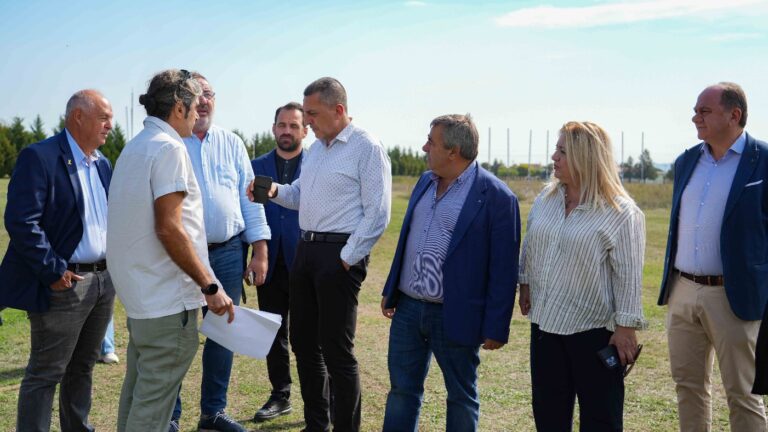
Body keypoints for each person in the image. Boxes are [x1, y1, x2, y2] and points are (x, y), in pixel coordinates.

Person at [249, 77, 392, 431]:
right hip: (306, 251)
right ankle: (317, 424)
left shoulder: (366, 147)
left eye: (311, 113)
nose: (307, 121)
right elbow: (299, 195)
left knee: (337, 351)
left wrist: (347, 257)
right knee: (303, 344)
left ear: (338, 109)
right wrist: (274, 191)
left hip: (338, 255)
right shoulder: (316, 151)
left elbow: (378, 213)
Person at [107, 69, 235, 432]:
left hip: (143, 298)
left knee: (137, 395)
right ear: (179, 107)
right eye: (195, 105)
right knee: (152, 409)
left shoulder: (136, 146)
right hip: (166, 302)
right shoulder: (169, 148)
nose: (198, 112)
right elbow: (170, 227)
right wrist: (210, 285)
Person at [380, 114, 520, 431]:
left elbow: (503, 269)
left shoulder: (498, 198)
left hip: (456, 314)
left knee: (460, 396)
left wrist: (496, 326)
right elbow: (406, 239)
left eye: (431, 142)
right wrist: (392, 290)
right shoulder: (424, 182)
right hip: (408, 310)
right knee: (402, 391)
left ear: (453, 151)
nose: (424, 147)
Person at [0, 89, 116, 432]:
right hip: (65, 284)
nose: (110, 125)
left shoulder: (103, 163)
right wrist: (52, 270)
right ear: (78, 116)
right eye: (104, 117)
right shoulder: (40, 156)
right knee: (46, 373)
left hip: (103, 282)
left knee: (83, 368)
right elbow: (22, 221)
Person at [519, 121, 646, 431]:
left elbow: (629, 276)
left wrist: (626, 329)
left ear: (585, 157)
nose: (554, 157)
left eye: (563, 151)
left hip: (594, 332)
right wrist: (525, 282)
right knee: (548, 415)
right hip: (545, 326)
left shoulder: (621, 212)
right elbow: (531, 243)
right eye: (556, 149)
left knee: (600, 420)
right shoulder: (546, 199)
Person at [659, 82, 768, 431]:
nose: (695, 118)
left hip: (735, 296)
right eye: (695, 111)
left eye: (704, 111)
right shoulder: (686, 161)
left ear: (734, 115)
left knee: (743, 393)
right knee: (687, 388)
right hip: (683, 291)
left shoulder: (763, 161)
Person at [171, 71, 270, 432]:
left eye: (209, 94)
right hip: (181, 255)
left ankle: (213, 413)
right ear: (182, 101)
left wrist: (260, 250)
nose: (204, 101)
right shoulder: (170, 142)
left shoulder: (232, 142)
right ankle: (169, 416)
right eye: (196, 94)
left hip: (228, 252)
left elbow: (251, 199)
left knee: (223, 333)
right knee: (177, 335)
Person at [250, 102, 306, 422]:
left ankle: (319, 397)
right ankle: (280, 394)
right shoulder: (256, 166)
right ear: (273, 128)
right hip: (268, 263)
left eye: (294, 125)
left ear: (305, 130)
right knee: (273, 331)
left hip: (306, 263)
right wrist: (252, 255)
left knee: (309, 336)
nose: (287, 131)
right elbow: (249, 213)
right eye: (282, 125)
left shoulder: (316, 165)